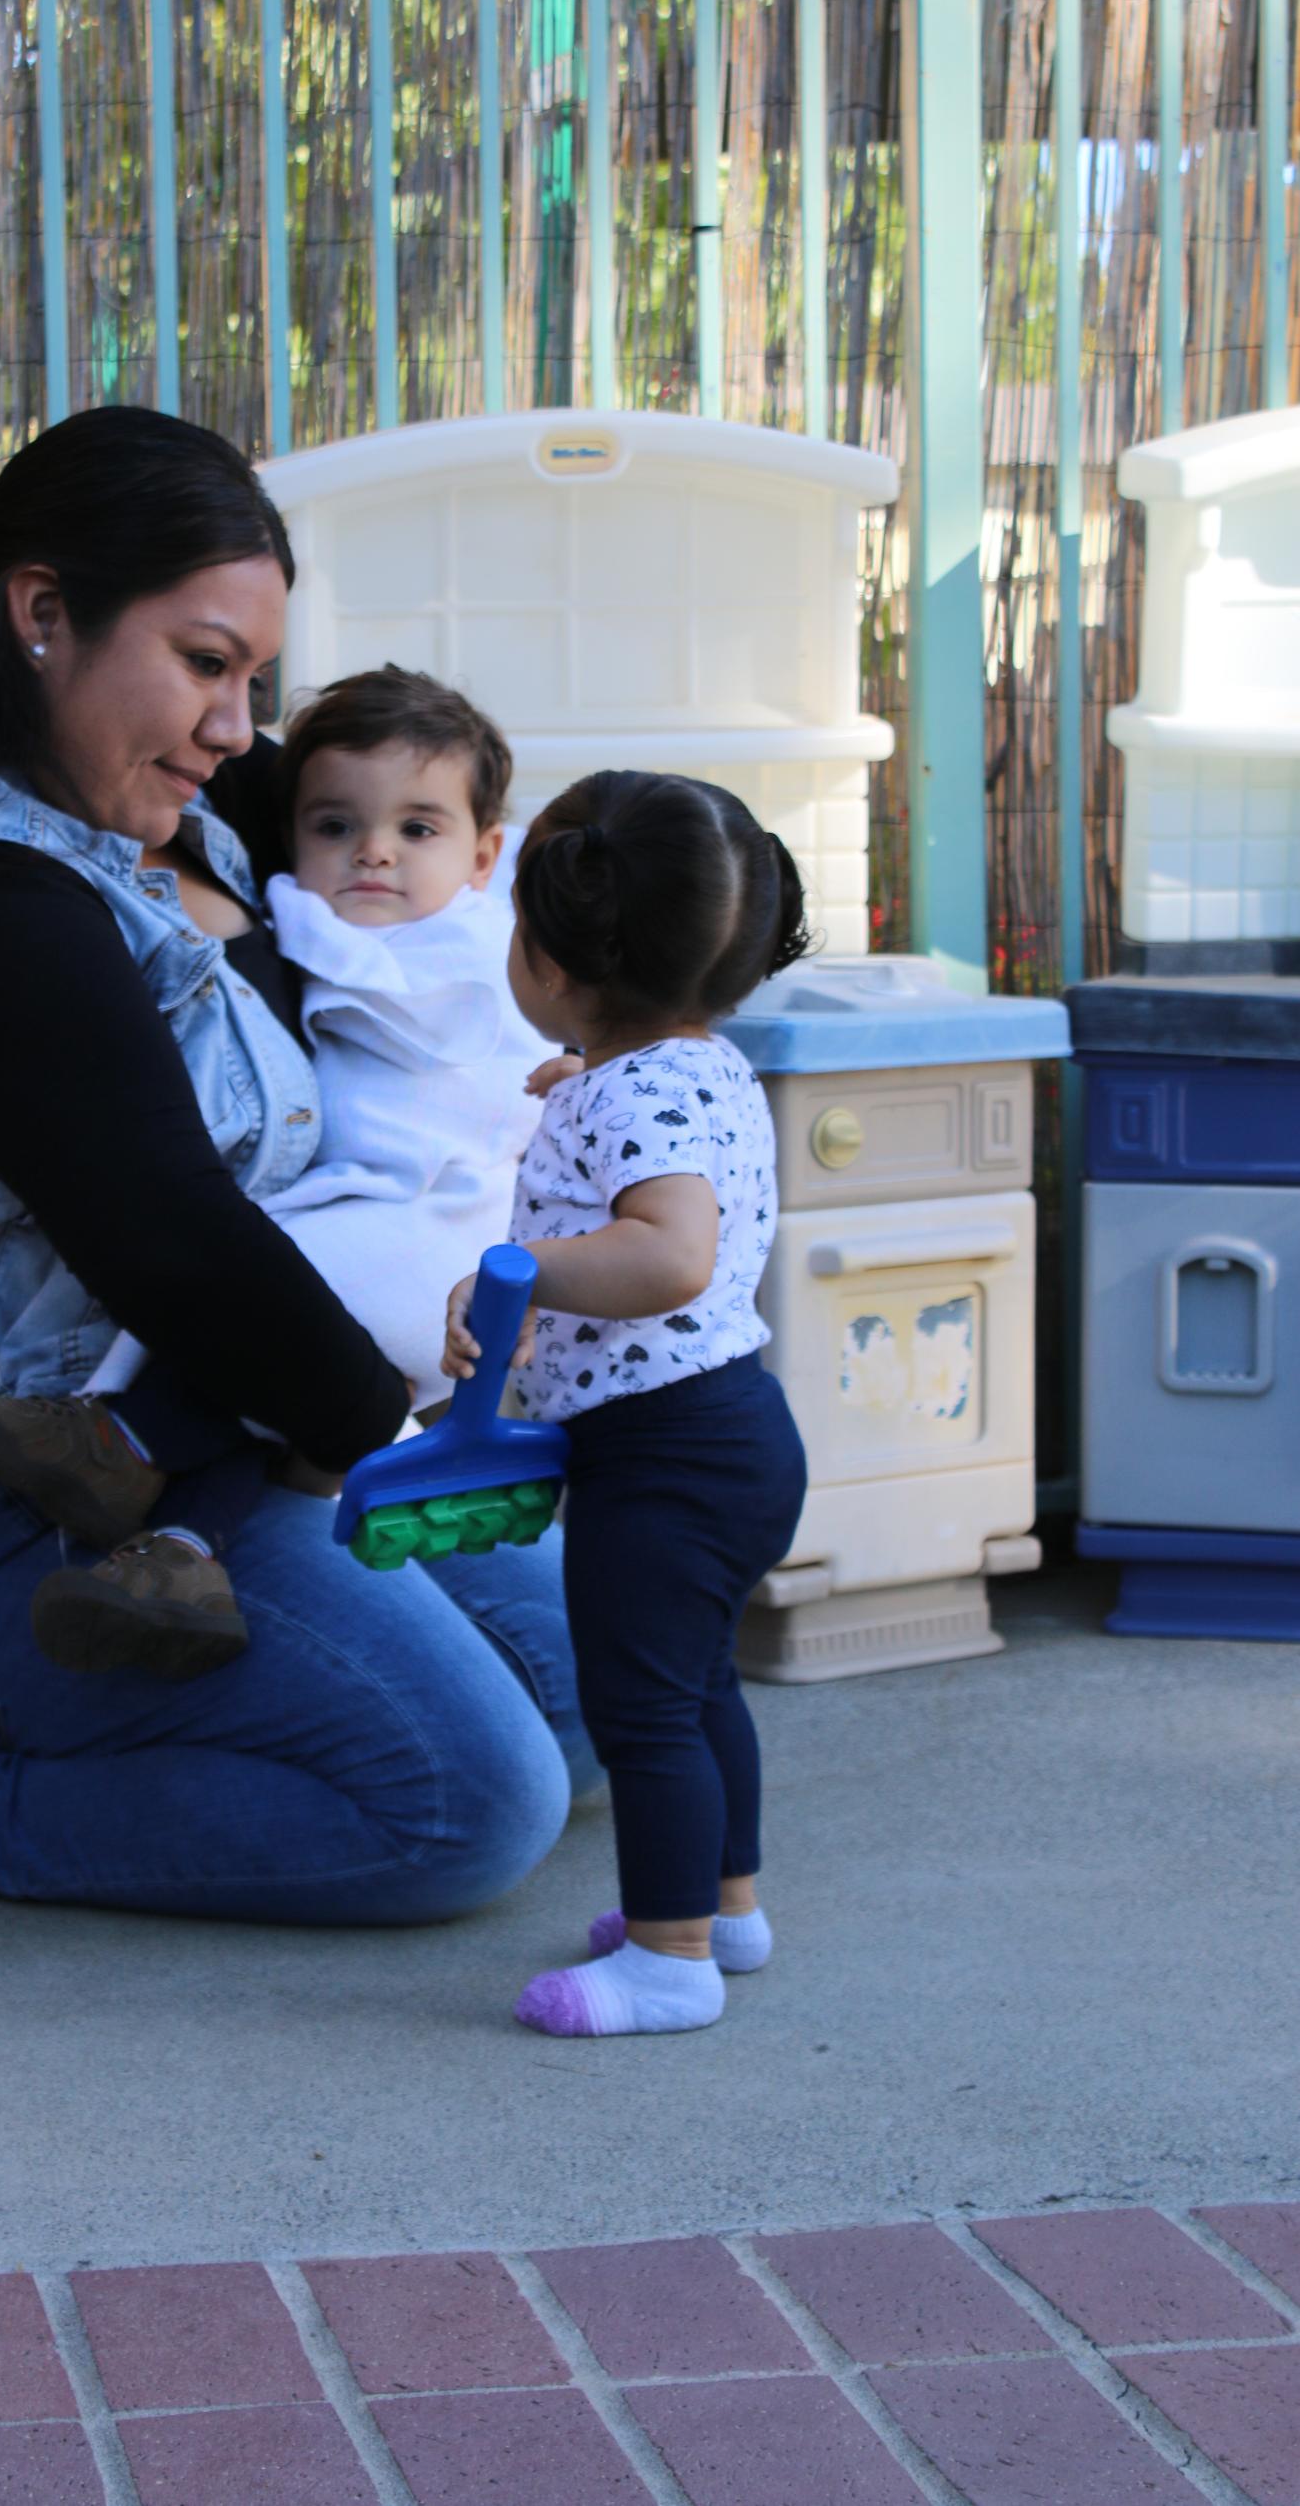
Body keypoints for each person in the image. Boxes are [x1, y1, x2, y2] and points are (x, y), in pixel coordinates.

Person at [0, 405, 593, 1918]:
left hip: (209, 1446)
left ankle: (47, 1718)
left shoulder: (187, 806)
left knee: (589, 1694)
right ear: (44, 614)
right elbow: (172, 1238)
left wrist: (646, 1011)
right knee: (469, 1811)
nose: (240, 728)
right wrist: (404, 1438)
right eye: (204, 663)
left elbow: (406, 791)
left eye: (253, 678)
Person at [0, 666, 547, 1680]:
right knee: (246, 1397)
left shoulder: (425, 946)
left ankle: (121, 1439)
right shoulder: (453, 925)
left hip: (423, 1232)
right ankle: (177, 1554)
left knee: (246, 1295)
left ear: (484, 854)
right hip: (399, 1250)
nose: (374, 854)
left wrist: (284, 895)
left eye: (418, 830)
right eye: (335, 826)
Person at [442, 770, 810, 2035]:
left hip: (665, 1458)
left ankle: (668, 1962)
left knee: (643, 1706)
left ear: (551, 961)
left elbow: (670, 1256)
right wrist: (585, 1092)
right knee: (701, 1686)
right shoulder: (683, 1068)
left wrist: (520, 1271)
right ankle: (726, 1910)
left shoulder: (632, 1092)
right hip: (727, 1437)